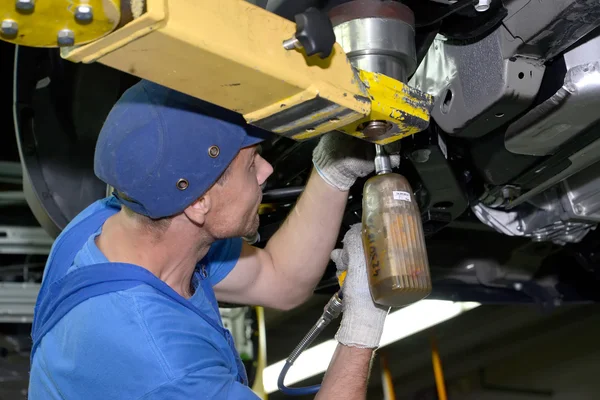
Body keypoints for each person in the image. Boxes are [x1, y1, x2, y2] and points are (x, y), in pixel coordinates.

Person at [28, 80, 391, 399]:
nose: (267, 170)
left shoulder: (109, 225)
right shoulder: (165, 366)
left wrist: (332, 172)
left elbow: (281, 280)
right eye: (251, 166)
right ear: (199, 202)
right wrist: (363, 323)